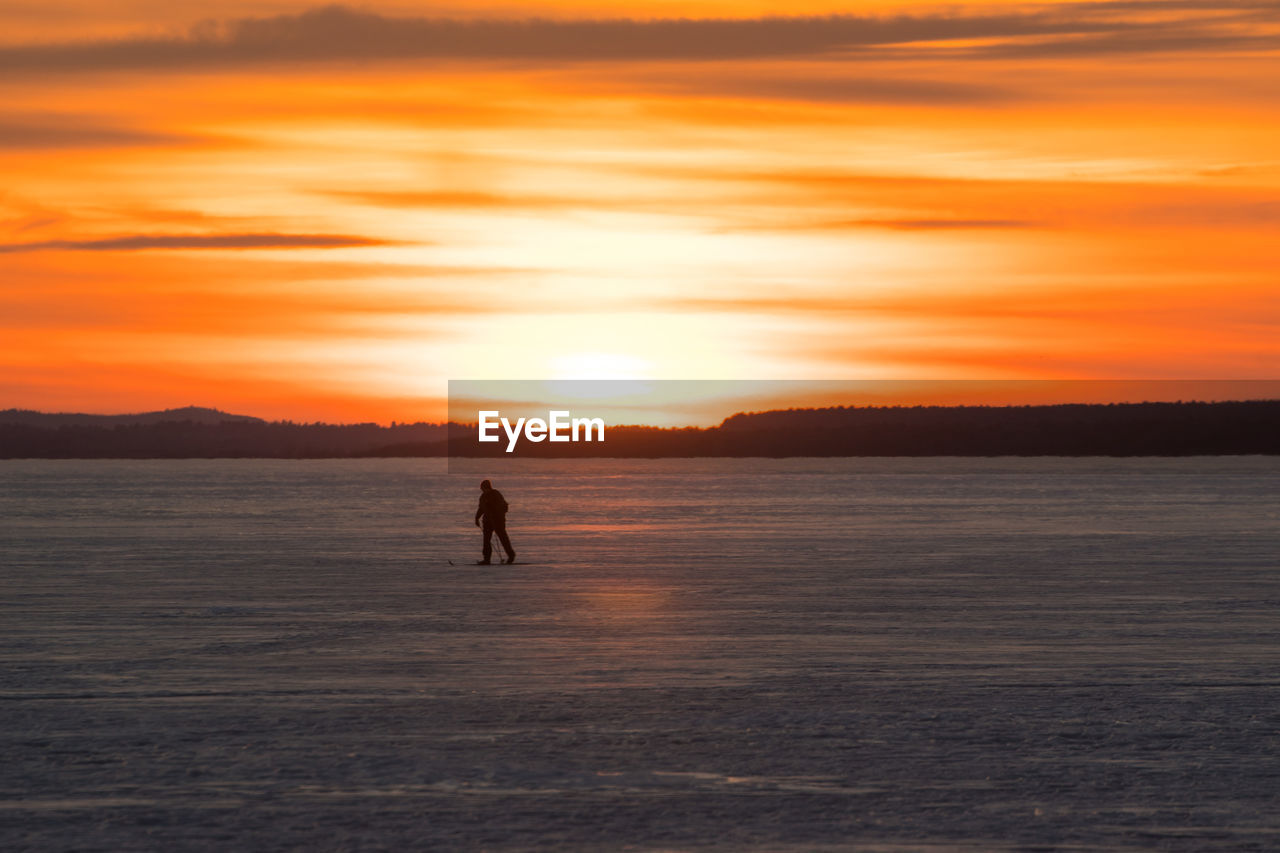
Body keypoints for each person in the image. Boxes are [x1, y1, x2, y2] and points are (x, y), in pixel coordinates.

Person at [474, 479, 515, 565]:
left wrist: (496, 514)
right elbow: (481, 509)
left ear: (487, 487)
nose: (482, 490)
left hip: (498, 521)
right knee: (486, 541)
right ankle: (486, 559)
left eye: (483, 488)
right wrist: (477, 518)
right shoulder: (483, 497)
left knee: (503, 538)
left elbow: (504, 507)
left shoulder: (496, 494)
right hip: (487, 522)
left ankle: (511, 556)